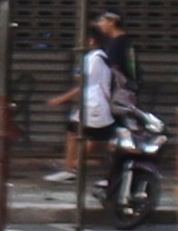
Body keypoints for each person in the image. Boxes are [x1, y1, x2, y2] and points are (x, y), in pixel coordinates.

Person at [48, 11, 135, 187]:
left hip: (99, 104)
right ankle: (71, 167)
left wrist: (61, 99)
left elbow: (88, 84)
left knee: (106, 139)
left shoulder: (98, 56)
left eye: (102, 20)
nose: (100, 23)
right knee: (77, 132)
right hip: (100, 102)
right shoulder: (114, 48)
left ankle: (77, 169)